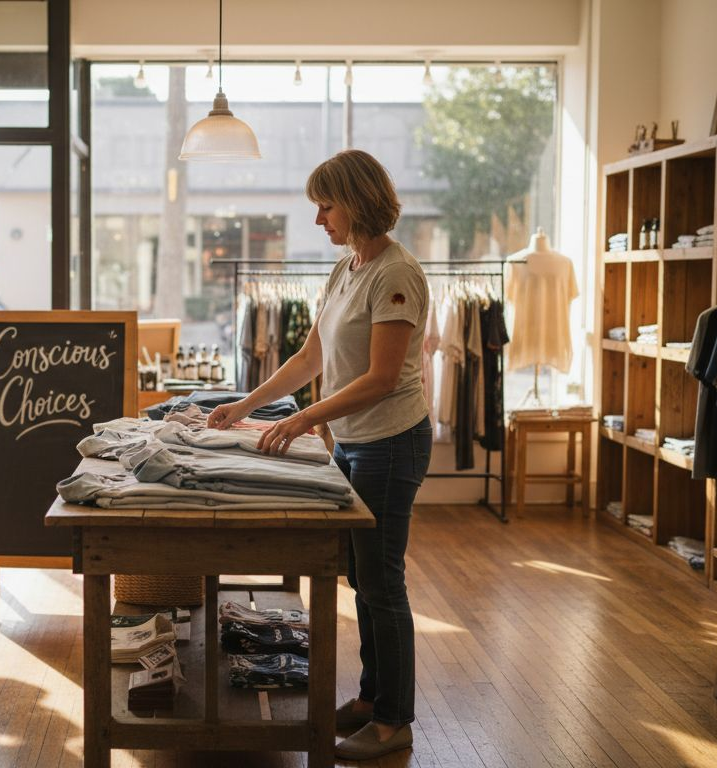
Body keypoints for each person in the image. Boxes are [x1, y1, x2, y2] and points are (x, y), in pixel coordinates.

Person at [207, 149, 431, 760]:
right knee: (361, 575)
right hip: (355, 442)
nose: (318, 220)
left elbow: (383, 377)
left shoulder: (396, 273)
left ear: (356, 202)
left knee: (381, 581)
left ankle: (394, 721)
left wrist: (305, 418)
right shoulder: (348, 269)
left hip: (391, 441)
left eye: (324, 206)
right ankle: (369, 699)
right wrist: (246, 405)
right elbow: (310, 360)